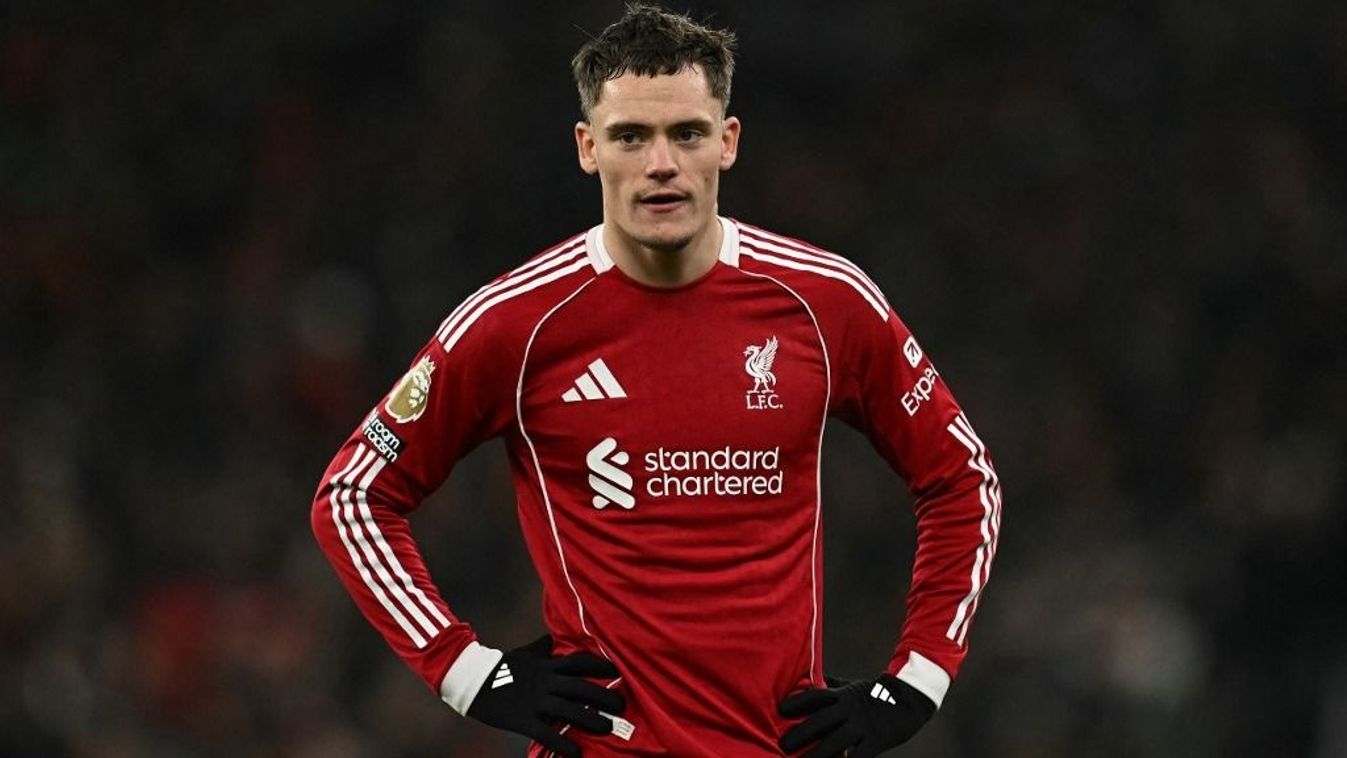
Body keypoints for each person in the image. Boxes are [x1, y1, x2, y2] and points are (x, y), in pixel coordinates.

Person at [310, 4, 1002, 756]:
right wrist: (465, 670)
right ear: (588, 148)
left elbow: (961, 478)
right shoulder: (517, 322)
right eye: (631, 136)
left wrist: (918, 679)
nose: (661, 163)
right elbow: (352, 495)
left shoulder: (824, 301)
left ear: (727, 142)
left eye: (687, 134)